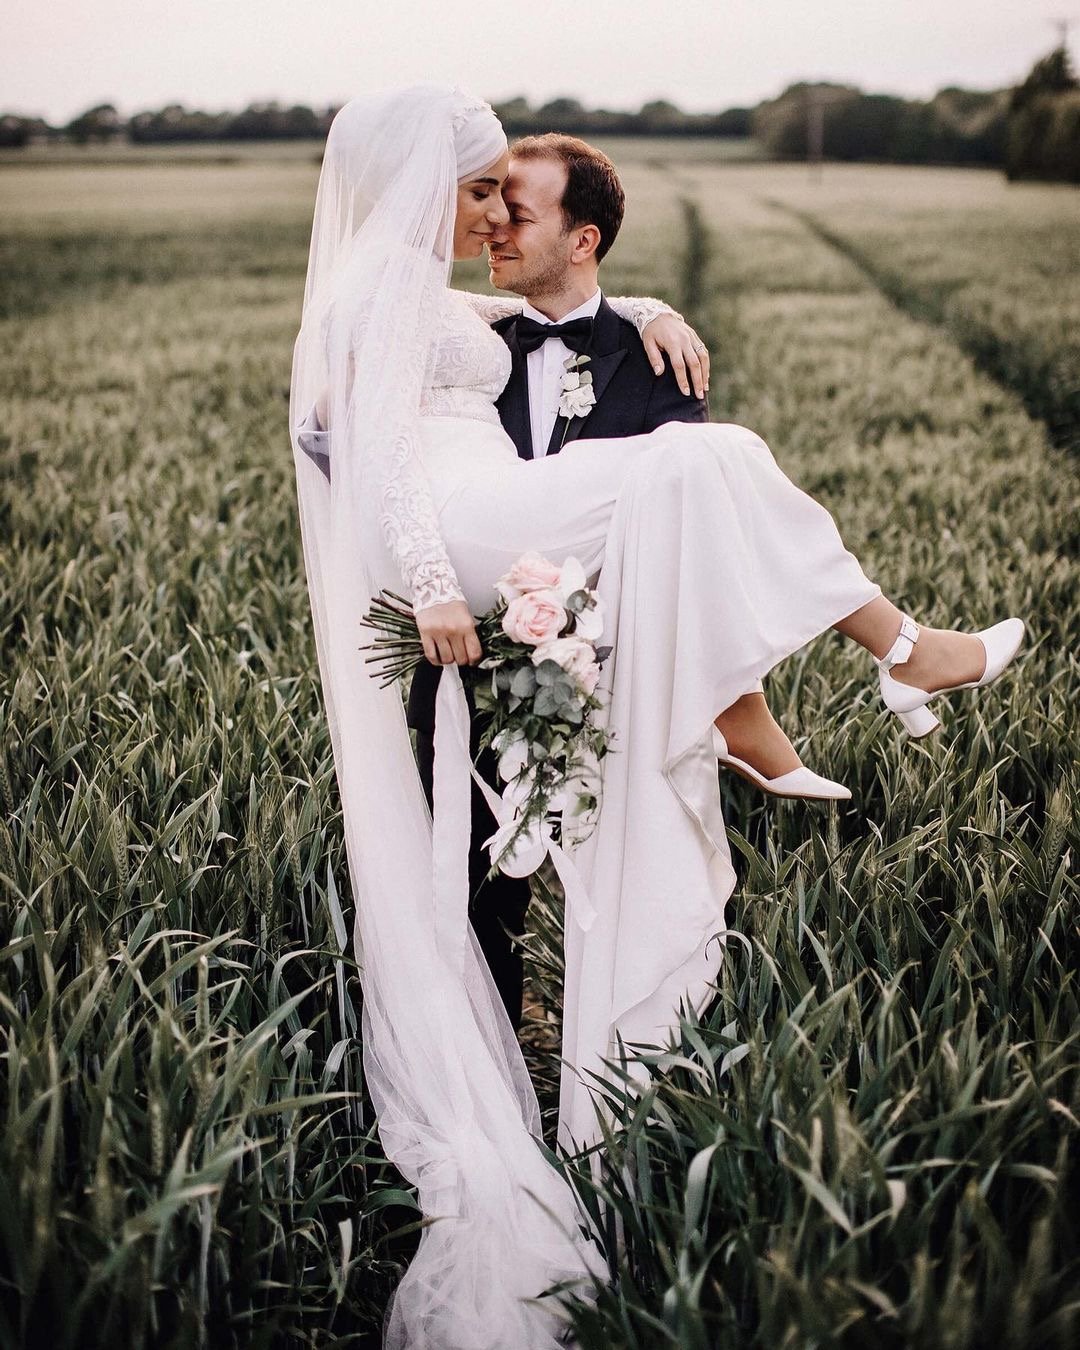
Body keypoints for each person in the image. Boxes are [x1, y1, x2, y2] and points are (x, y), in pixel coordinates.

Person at [287, 86, 1024, 1350]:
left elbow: (499, 328)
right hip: (470, 550)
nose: (482, 214)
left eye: (501, 199)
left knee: (706, 457)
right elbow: (366, 448)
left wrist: (644, 305)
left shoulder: (414, 289)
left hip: (504, 540)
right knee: (711, 458)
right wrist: (424, 584)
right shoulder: (380, 294)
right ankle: (896, 654)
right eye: (475, 189)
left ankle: (857, 668)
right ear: (417, 182)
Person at [300, 131, 849, 1034]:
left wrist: (650, 309)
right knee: (475, 883)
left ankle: (640, 1049)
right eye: (489, 204)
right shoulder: (457, 333)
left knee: (637, 872)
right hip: (472, 648)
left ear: (582, 238)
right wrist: (341, 416)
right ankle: (491, 1053)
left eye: (517, 213)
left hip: (615, 665)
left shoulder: (651, 353)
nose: (492, 231)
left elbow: (681, 527)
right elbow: (361, 441)